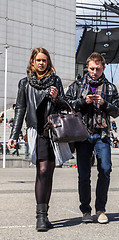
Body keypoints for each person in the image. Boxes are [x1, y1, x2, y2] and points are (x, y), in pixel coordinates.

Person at [8, 47, 69, 231]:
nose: (41, 63)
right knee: (42, 170)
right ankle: (40, 218)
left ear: (48, 62)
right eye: (38, 60)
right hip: (37, 130)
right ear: (32, 62)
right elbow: (20, 109)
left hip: (53, 131)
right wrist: (14, 135)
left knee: (48, 173)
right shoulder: (25, 83)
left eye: (44, 60)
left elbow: (64, 105)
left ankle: (45, 213)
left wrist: (57, 97)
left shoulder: (56, 81)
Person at [65, 52, 119, 224]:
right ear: (87, 67)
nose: (94, 72)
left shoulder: (110, 88)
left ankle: (101, 209)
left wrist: (104, 103)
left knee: (105, 169)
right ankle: (86, 210)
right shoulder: (77, 85)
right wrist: (83, 101)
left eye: (97, 69)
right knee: (84, 174)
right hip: (83, 135)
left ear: (103, 68)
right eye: (91, 68)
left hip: (102, 134)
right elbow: (66, 103)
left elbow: (117, 111)